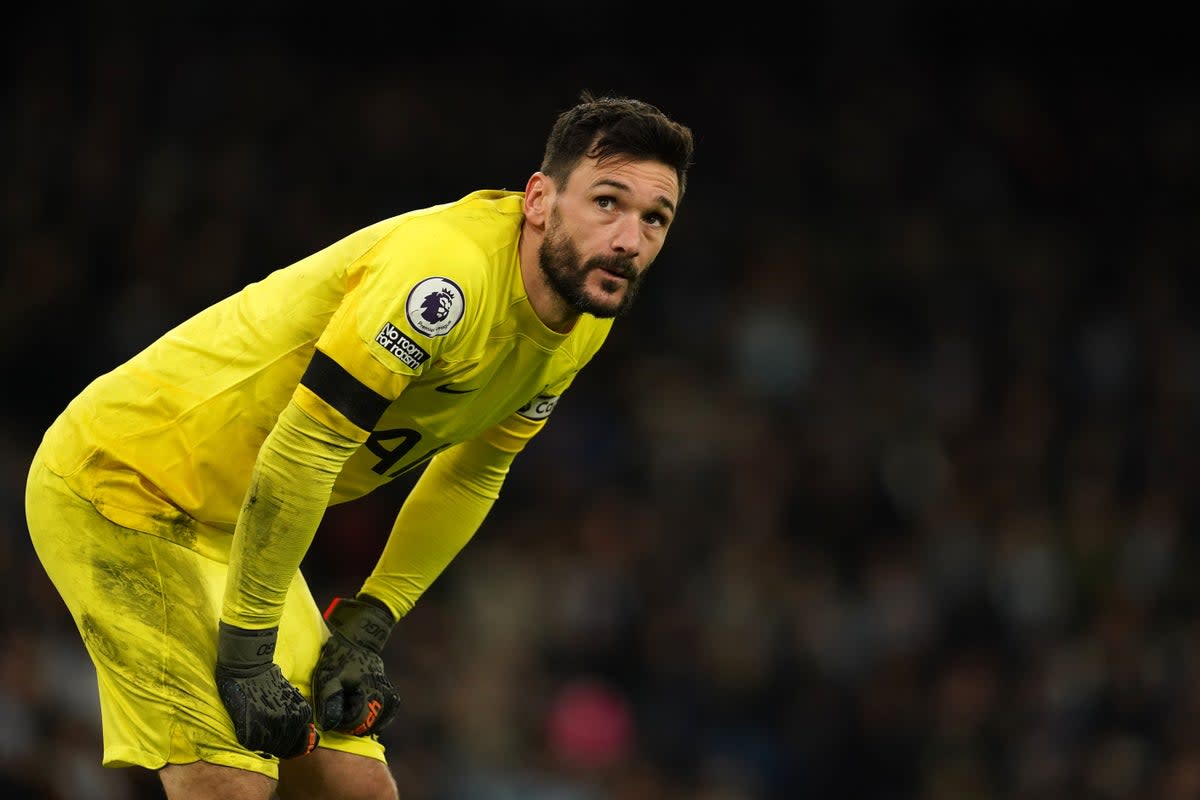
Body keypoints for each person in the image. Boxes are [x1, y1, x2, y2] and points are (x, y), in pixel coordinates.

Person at [24, 90, 695, 800]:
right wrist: (248, 650)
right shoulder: (444, 280)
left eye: (656, 219)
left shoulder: (585, 317)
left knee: (356, 789)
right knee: (229, 783)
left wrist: (372, 622)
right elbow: (304, 450)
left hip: (234, 525)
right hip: (125, 482)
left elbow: (474, 472)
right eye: (607, 204)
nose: (630, 239)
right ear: (538, 200)